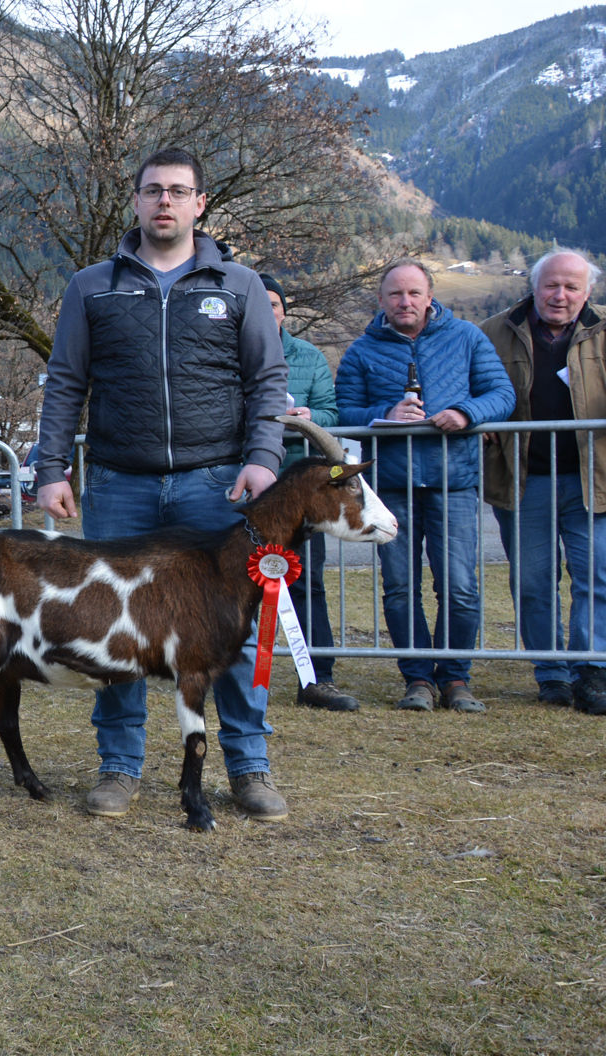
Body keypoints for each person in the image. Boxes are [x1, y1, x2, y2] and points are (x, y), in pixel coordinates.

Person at [33, 148, 291, 822]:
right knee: (116, 632)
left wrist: (263, 457)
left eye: (179, 192)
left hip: (217, 487)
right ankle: (119, 767)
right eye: (153, 191)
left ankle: (249, 766)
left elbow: (267, 382)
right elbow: (65, 382)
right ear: (137, 201)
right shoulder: (92, 287)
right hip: (121, 484)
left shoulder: (238, 286)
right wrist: (51, 468)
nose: (165, 202)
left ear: (201, 203)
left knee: (227, 630)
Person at [335, 258, 514, 713]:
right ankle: (417, 678)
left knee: (459, 586)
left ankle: (455, 677)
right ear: (381, 301)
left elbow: (502, 395)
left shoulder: (467, 338)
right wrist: (387, 414)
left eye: (414, 293)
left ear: (430, 297)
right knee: (399, 587)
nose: (405, 301)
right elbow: (344, 413)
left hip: (453, 483)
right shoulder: (361, 351)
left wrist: (466, 413)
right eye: (395, 294)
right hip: (391, 486)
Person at [480, 248, 606, 715]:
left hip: (592, 479)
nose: (560, 294)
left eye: (572, 286)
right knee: (533, 581)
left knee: (594, 577)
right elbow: (470, 390)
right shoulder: (493, 332)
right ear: (534, 287)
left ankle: (590, 671)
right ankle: (550, 672)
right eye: (551, 285)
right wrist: (480, 418)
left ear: (587, 291)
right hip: (523, 478)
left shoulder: (605, 329)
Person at [260, 274, 358, 712]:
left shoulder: (310, 356)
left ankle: (318, 678)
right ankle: (231, 672)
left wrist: (307, 414)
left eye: (275, 304)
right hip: (247, 489)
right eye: (258, 303)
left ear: (284, 310)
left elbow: (332, 410)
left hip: (299, 491)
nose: (268, 311)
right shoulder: (224, 352)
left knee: (307, 582)